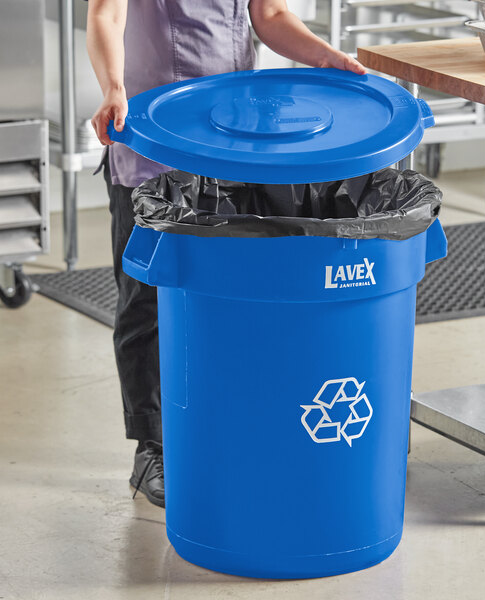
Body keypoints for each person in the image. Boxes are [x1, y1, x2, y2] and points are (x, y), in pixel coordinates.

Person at [86, 0, 365, 508]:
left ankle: (225, 428)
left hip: (231, 141)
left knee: (232, 295)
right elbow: (106, 17)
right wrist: (112, 87)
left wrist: (324, 56)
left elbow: (271, 15)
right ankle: (153, 447)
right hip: (152, 143)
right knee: (146, 301)